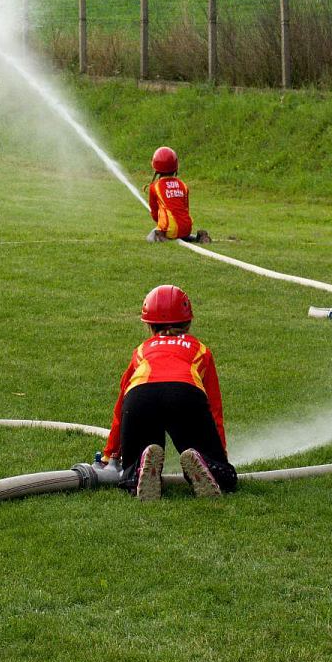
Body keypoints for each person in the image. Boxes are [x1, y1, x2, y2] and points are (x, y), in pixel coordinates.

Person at [100, 284, 237, 500]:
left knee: (133, 467)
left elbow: (120, 406)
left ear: (149, 325)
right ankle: (206, 464)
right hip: (184, 395)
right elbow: (214, 410)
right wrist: (220, 457)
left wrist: (110, 455)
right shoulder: (200, 350)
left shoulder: (142, 350)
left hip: (140, 398)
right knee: (223, 474)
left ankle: (138, 471)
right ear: (188, 322)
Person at [146, 146, 211, 244]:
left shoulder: (154, 186)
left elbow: (155, 214)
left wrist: (161, 223)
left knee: (150, 237)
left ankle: (163, 238)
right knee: (181, 233)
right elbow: (185, 208)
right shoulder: (183, 185)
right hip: (186, 228)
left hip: (170, 229)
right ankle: (199, 238)